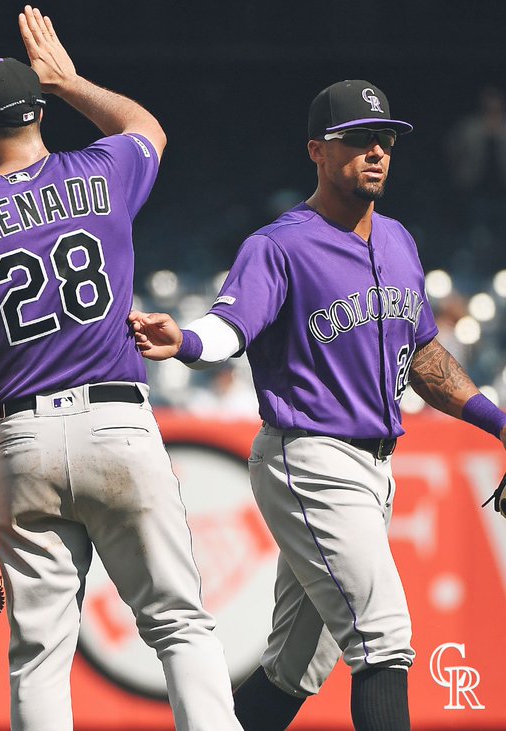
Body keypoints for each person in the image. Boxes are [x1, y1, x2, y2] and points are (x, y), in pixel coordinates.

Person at [0, 8, 242, 731]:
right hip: (117, 421)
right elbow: (147, 127)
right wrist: (71, 80)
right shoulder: (104, 172)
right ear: (37, 112)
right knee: (178, 622)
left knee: (37, 654)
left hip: (21, 440)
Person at [129, 80, 506, 731]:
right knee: (384, 636)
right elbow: (232, 326)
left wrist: (499, 421)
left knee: (294, 666)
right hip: (311, 459)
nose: (376, 151)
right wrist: (187, 341)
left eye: (384, 138)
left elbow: (424, 359)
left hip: (375, 468)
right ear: (317, 151)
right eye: (356, 139)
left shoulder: (398, 242)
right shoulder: (279, 245)